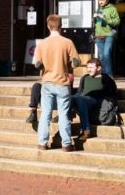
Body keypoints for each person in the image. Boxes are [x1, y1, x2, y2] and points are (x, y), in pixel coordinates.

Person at [34, 14, 80, 152]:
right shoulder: (67, 42)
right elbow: (76, 62)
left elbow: (37, 64)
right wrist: (68, 65)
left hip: (47, 82)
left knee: (45, 114)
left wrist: (45, 67)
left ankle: (42, 143)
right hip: (62, 82)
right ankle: (66, 144)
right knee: (64, 114)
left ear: (48, 26)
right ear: (61, 26)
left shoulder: (42, 43)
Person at [73, 57, 118, 139]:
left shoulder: (106, 78)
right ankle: (63, 126)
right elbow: (79, 92)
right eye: (87, 67)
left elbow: (112, 94)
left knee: (79, 99)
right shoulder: (84, 77)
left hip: (95, 100)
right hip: (82, 99)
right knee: (69, 98)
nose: (88, 70)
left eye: (91, 67)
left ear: (99, 68)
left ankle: (86, 130)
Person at [94, 0, 120, 76]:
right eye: (99, 0)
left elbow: (117, 22)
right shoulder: (98, 9)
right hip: (98, 35)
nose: (100, 2)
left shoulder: (112, 9)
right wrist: (94, 18)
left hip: (109, 34)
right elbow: (97, 23)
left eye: (102, 0)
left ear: (107, 0)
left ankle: (109, 75)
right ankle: (104, 74)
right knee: (101, 56)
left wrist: (106, 19)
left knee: (106, 54)